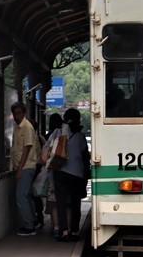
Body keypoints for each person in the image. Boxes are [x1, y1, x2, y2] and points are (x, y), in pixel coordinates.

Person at [43, 108, 90, 242]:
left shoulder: (57, 132)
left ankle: (63, 231)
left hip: (60, 171)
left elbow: (46, 150)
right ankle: (74, 231)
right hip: (77, 174)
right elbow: (84, 156)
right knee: (75, 203)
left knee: (61, 203)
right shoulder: (80, 136)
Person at [9, 101, 38, 236]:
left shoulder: (27, 127)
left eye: (19, 113)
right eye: (15, 114)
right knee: (26, 195)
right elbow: (15, 149)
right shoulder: (17, 127)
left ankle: (29, 225)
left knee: (21, 196)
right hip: (21, 166)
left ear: (24, 113)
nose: (17, 116)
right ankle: (33, 221)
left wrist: (19, 168)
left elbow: (27, 148)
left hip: (26, 166)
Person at [43, 113, 63, 236]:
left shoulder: (50, 135)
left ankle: (54, 226)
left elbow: (44, 157)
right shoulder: (68, 134)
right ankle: (67, 227)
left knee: (53, 201)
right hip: (67, 172)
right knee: (66, 202)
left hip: (53, 172)